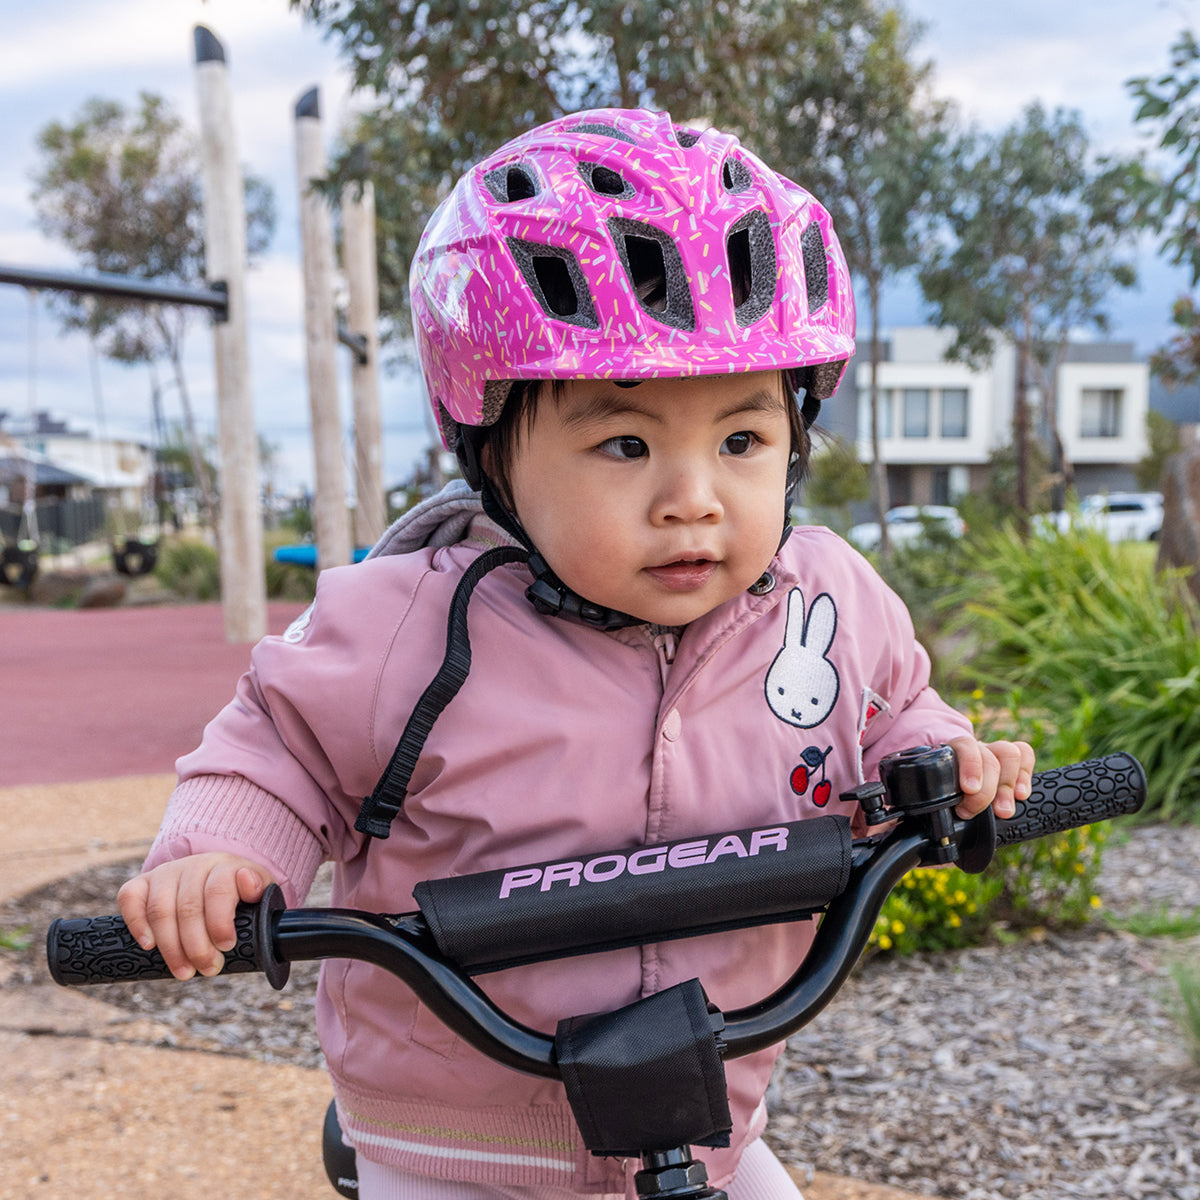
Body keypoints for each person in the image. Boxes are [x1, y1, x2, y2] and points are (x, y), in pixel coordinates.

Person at [118, 108, 1033, 1200]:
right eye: (625, 443)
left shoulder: (825, 603)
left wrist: (943, 762)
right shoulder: (407, 622)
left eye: (742, 439)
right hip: (455, 1138)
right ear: (491, 452)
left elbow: (894, 708)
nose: (693, 498)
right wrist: (217, 859)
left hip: (706, 1105)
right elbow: (278, 747)